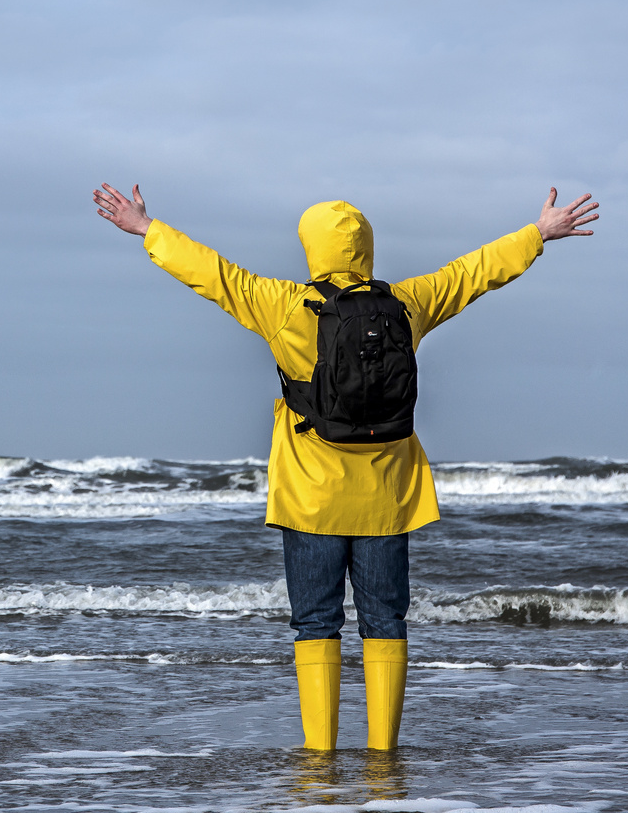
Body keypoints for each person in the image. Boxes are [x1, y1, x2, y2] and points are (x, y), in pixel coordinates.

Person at [91, 182, 599, 751]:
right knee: (385, 624)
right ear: (367, 249)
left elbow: (212, 273)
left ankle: (320, 757)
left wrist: (146, 229)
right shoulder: (407, 304)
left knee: (316, 625)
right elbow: (473, 273)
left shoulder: (283, 305)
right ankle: (383, 756)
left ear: (312, 248)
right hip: (387, 497)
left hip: (311, 499)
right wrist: (537, 235)